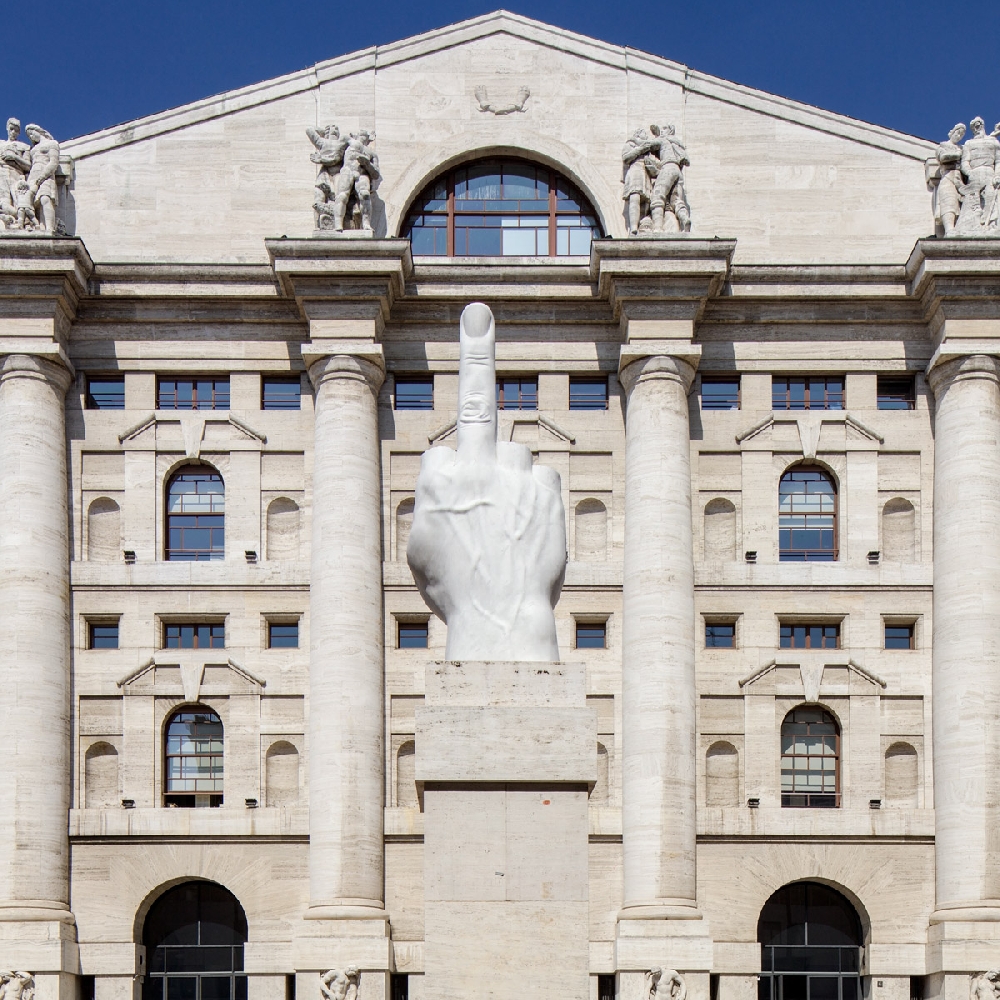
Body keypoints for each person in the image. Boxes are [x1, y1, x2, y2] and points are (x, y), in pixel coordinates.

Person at [956, 116, 1000, 234]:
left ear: (983, 125)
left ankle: (991, 224)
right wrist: (970, 173)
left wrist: (997, 175)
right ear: (973, 129)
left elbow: (998, 161)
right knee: (973, 200)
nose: (977, 127)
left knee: (990, 196)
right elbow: (965, 162)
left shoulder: (993, 142)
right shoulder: (969, 143)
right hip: (975, 173)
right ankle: (972, 225)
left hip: (989, 172)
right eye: (974, 126)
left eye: (979, 124)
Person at [648, 123, 691, 233]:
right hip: (678, 171)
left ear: (670, 131)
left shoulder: (664, 140)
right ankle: (684, 218)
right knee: (675, 200)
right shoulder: (676, 143)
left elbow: (649, 145)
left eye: (665, 128)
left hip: (668, 168)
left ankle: (658, 228)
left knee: (657, 196)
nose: (662, 131)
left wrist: (635, 143)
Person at [926, 123, 966, 236]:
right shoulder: (943, 146)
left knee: (959, 207)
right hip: (948, 178)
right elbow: (943, 157)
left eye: (962, 135)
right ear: (951, 132)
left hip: (959, 181)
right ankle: (949, 229)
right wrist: (958, 155)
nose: (959, 136)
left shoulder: (962, 149)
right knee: (949, 203)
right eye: (958, 132)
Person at [24, 124, 59, 233]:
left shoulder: (52, 143)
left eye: (31, 133)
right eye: (29, 136)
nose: (31, 137)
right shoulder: (33, 150)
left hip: (46, 175)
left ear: (38, 131)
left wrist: (43, 176)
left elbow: (53, 162)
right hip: (32, 176)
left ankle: (49, 229)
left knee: (45, 198)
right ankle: (37, 227)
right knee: (31, 202)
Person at [622, 127, 656, 234]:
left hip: (645, 173)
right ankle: (633, 227)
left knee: (646, 202)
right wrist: (640, 149)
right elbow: (626, 158)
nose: (646, 135)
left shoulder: (648, 148)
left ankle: (642, 225)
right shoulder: (631, 143)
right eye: (644, 133)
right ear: (638, 134)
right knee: (635, 197)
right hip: (635, 171)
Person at [0, 118, 30, 219]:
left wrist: (15, 158)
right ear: (7, 128)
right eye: (11, 129)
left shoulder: (24, 146)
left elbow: (28, 166)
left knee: (17, 202)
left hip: (16, 175)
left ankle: (19, 219)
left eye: (16, 130)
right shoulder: (1, 144)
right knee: (3, 201)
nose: (13, 132)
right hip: (1, 173)